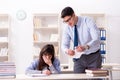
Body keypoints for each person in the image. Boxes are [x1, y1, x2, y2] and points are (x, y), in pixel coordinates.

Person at [61, 6, 102, 73]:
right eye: (65, 21)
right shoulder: (67, 28)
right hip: (79, 58)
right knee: (77, 78)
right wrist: (67, 50)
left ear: (74, 15)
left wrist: (85, 47)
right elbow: (64, 45)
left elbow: (96, 38)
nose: (68, 23)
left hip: (94, 57)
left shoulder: (88, 21)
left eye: (69, 20)